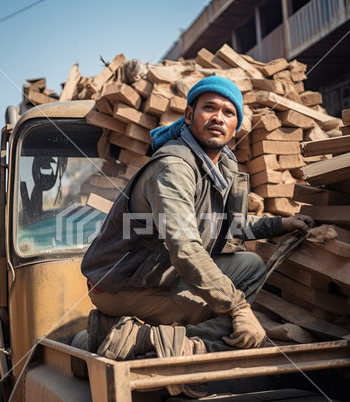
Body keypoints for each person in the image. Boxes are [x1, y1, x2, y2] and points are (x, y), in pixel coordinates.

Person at [80, 76, 314, 375]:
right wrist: (237, 307)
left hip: (155, 274)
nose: (218, 117)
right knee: (220, 305)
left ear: (236, 126)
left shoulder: (217, 167)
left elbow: (223, 224)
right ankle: (169, 343)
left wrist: (280, 223)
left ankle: (176, 338)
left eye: (228, 113)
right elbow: (185, 248)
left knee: (250, 266)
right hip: (121, 286)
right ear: (190, 116)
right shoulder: (174, 167)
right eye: (209, 108)